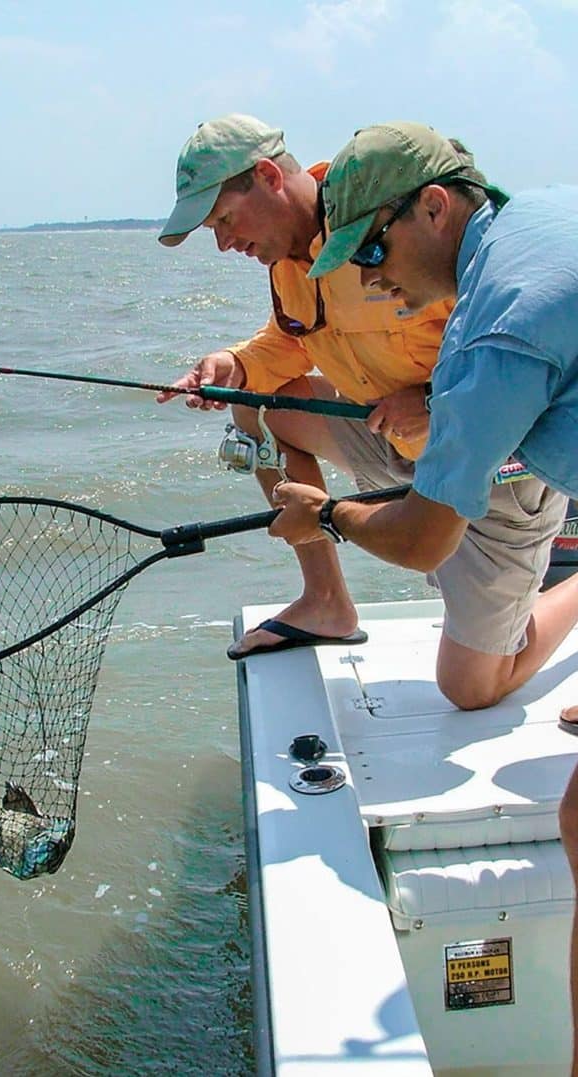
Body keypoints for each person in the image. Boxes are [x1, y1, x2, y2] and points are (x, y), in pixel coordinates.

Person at [262, 120, 578, 1072]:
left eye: (373, 248)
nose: (373, 277)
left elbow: (423, 535)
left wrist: (327, 518)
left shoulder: (496, 327)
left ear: (434, 208)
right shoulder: (543, 220)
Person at [157, 114, 566, 711]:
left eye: (222, 220)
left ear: (268, 177)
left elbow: (501, 369)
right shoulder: (295, 263)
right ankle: (326, 598)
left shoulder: (426, 243)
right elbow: (294, 340)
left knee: (471, 689)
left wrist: (331, 508)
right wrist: (234, 367)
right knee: (266, 408)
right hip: (397, 447)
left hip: (494, 472)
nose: (370, 274)